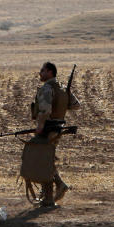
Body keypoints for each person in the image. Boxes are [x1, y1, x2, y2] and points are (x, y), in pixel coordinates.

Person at [25, 61, 79, 207]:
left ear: (49, 72)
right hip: (58, 128)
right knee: (45, 159)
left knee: (44, 161)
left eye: (42, 70)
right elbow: (75, 105)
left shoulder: (47, 88)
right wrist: (63, 100)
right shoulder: (61, 88)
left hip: (48, 129)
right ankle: (57, 186)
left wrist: (40, 125)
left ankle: (49, 197)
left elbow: (45, 111)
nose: (40, 73)